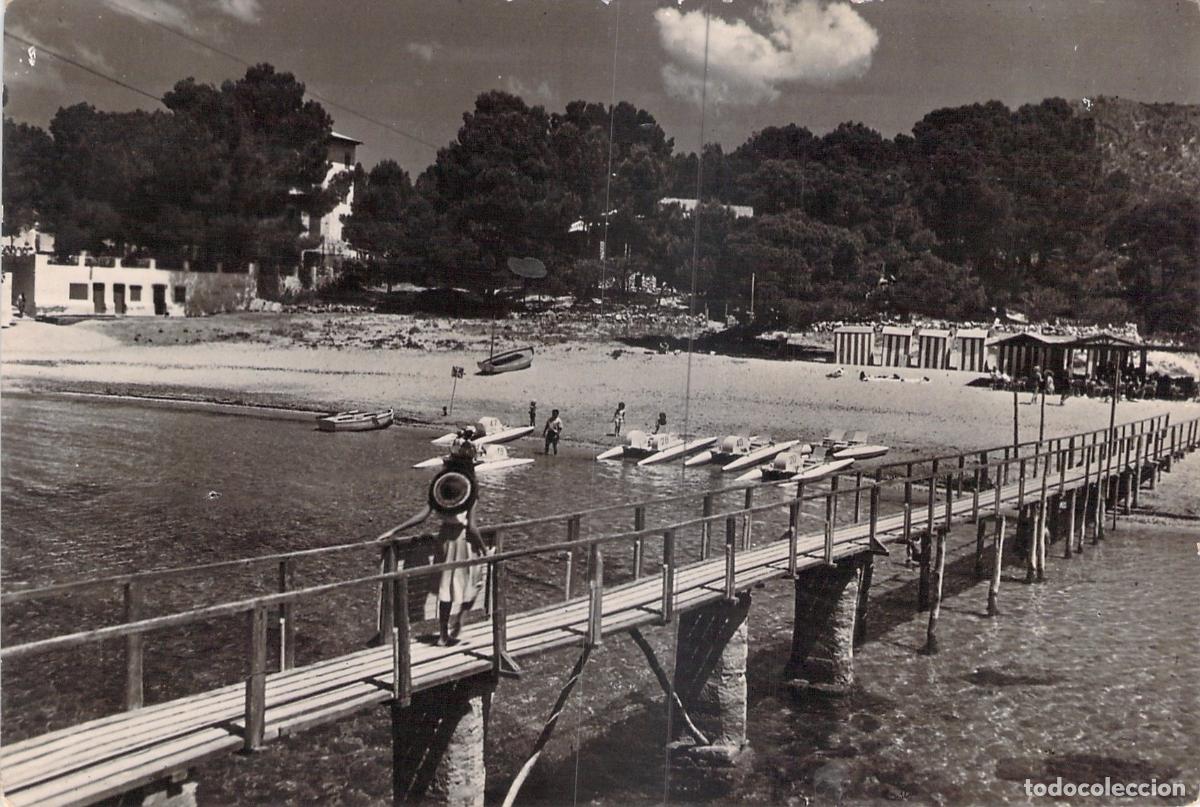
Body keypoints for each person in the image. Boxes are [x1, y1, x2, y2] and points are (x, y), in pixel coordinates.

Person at [377, 433, 486, 646]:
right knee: (475, 582)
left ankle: (444, 634)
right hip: (462, 541)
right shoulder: (470, 490)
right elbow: (472, 527)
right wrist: (482, 546)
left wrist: (395, 530)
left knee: (446, 588)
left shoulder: (443, 489)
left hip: (444, 539)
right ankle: (460, 622)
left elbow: (423, 515)